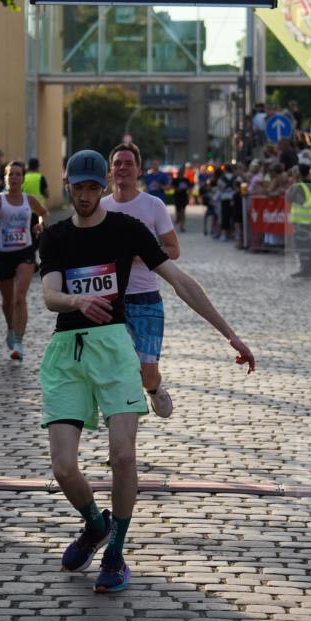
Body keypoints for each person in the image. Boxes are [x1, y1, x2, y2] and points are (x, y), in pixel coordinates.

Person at [39, 149, 255, 594]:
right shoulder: (55, 235)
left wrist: (230, 335)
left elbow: (181, 282)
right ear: (68, 187)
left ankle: (115, 551)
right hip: (67, 352)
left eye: (92, 187)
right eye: (78, 188)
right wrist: (77, 301)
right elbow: (49, 295)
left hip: (115, 350)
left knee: (123, 456)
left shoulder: (127, 229)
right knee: (63, 467)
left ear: (102, 187)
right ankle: (94, 524)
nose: (85, 195)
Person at [100, 141, 180, 418]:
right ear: (110, 171)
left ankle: (155, 389)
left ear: (139, 170)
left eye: (128, 163)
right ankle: (123, 422)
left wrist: (141, 254)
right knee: (120, 367)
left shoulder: (153, 205)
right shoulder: (100, 207)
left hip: (146, 299)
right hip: (112, 300)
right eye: (117, 163)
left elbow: (174, 249)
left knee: (147, 374)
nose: (122, 168)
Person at [0, 160, 48, 361]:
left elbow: (43, 213)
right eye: (10, 174)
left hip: (25, 251)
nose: (14, 177)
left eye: (17, 174)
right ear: (5, 178)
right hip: (3, 253)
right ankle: (10, 327)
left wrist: (41, 225)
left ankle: (18, 342)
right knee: (7, 301)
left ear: (22, 179)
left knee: (19, 297)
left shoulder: (29, 200)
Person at [287, 163, 311, 277]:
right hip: (308, 218)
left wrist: (294, 184)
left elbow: (290, 198)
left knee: (302, 245)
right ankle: (309, 269)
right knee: (306, 245)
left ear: (299, 173)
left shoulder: (300, 186)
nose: (294, 173)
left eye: (296, 172)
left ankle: (306, 270)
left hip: (301, 219)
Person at [173, 165, 191, 232]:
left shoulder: (186, 180)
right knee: (178, 212)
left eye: (182, 172)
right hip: (177, 197)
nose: (181, 173)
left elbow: (189, 187)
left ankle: (182, 226)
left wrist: (188, 192)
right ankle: (178, 218)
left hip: (184, 197)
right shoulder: (175, 180)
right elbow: (173, 187)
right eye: (180, 172)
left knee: (183, 211)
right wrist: (178, 189)